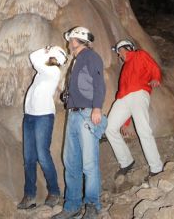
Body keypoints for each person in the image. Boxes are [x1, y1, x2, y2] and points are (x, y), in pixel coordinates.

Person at [53, 26, 107, 219]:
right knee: (71, 162)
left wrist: (97, 108)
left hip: (86, 115)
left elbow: (99, 83)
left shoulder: (91, 57)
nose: (68, 43)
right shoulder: (76, 61)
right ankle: (72, 205)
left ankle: (92, 205)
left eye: (70, 40)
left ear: (77, 40)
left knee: (89, 164)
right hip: (73, 116)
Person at [17, 45, 68, 210]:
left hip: (43, 117)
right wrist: (48, 51)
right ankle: (29, 195)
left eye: (50, 54)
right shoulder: (43, 72)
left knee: (42, 155)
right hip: (30, 117)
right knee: (29, 159)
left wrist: (45, 50)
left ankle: (54, 191)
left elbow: (33, 56)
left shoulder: (53, 72)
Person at [105, 39, 163, 181]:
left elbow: (153, 66)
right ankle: (126, 162)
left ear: (125, 48)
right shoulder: (124, 68)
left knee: (143, 130)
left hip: (139, 93)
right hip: (122, 99)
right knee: (109, 128)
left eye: (119, 52)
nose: (119, 56)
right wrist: (125, 122)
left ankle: (156, 168)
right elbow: (126, 97)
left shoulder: (140, 55)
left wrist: (156, 78)